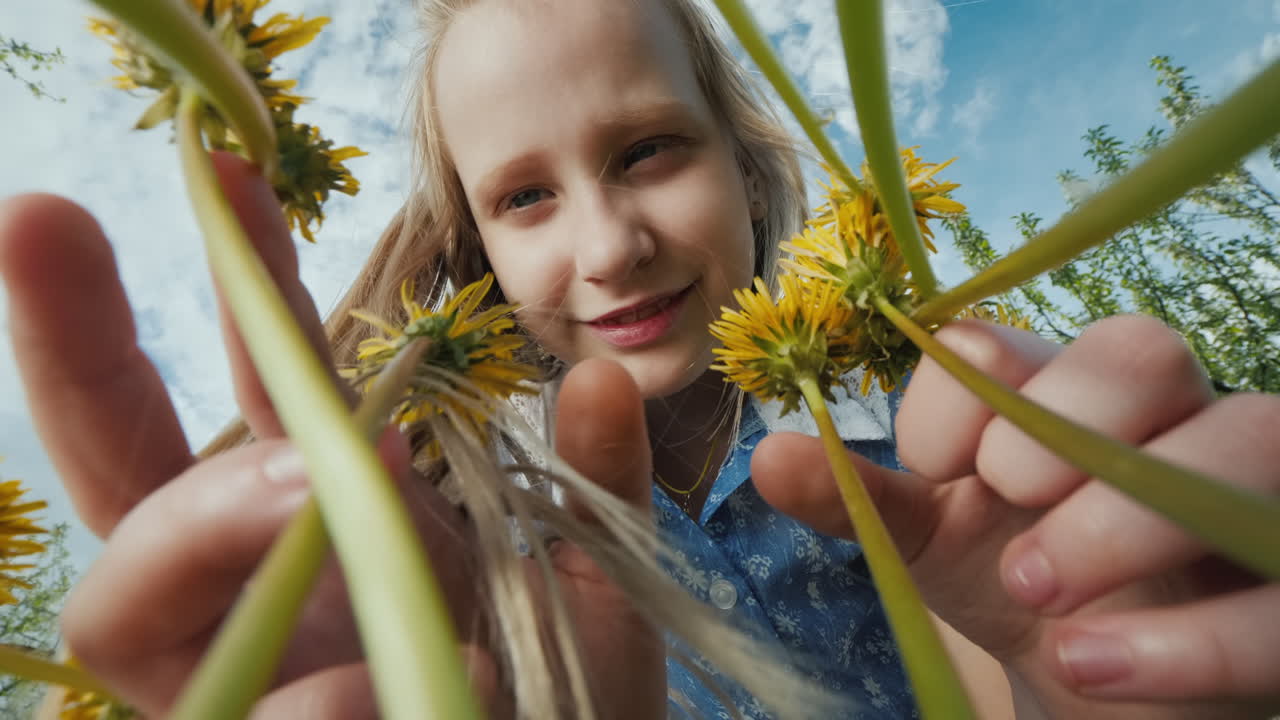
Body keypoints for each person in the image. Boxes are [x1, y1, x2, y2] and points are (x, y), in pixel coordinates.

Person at [1, 0, 1277, 717]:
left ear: (741, 162)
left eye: (645, 153)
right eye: (525, 198)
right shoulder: (493, 556)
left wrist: (1096, 667)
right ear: (476, 253)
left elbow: (1014, 673)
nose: (608, 247)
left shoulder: (918, 425)